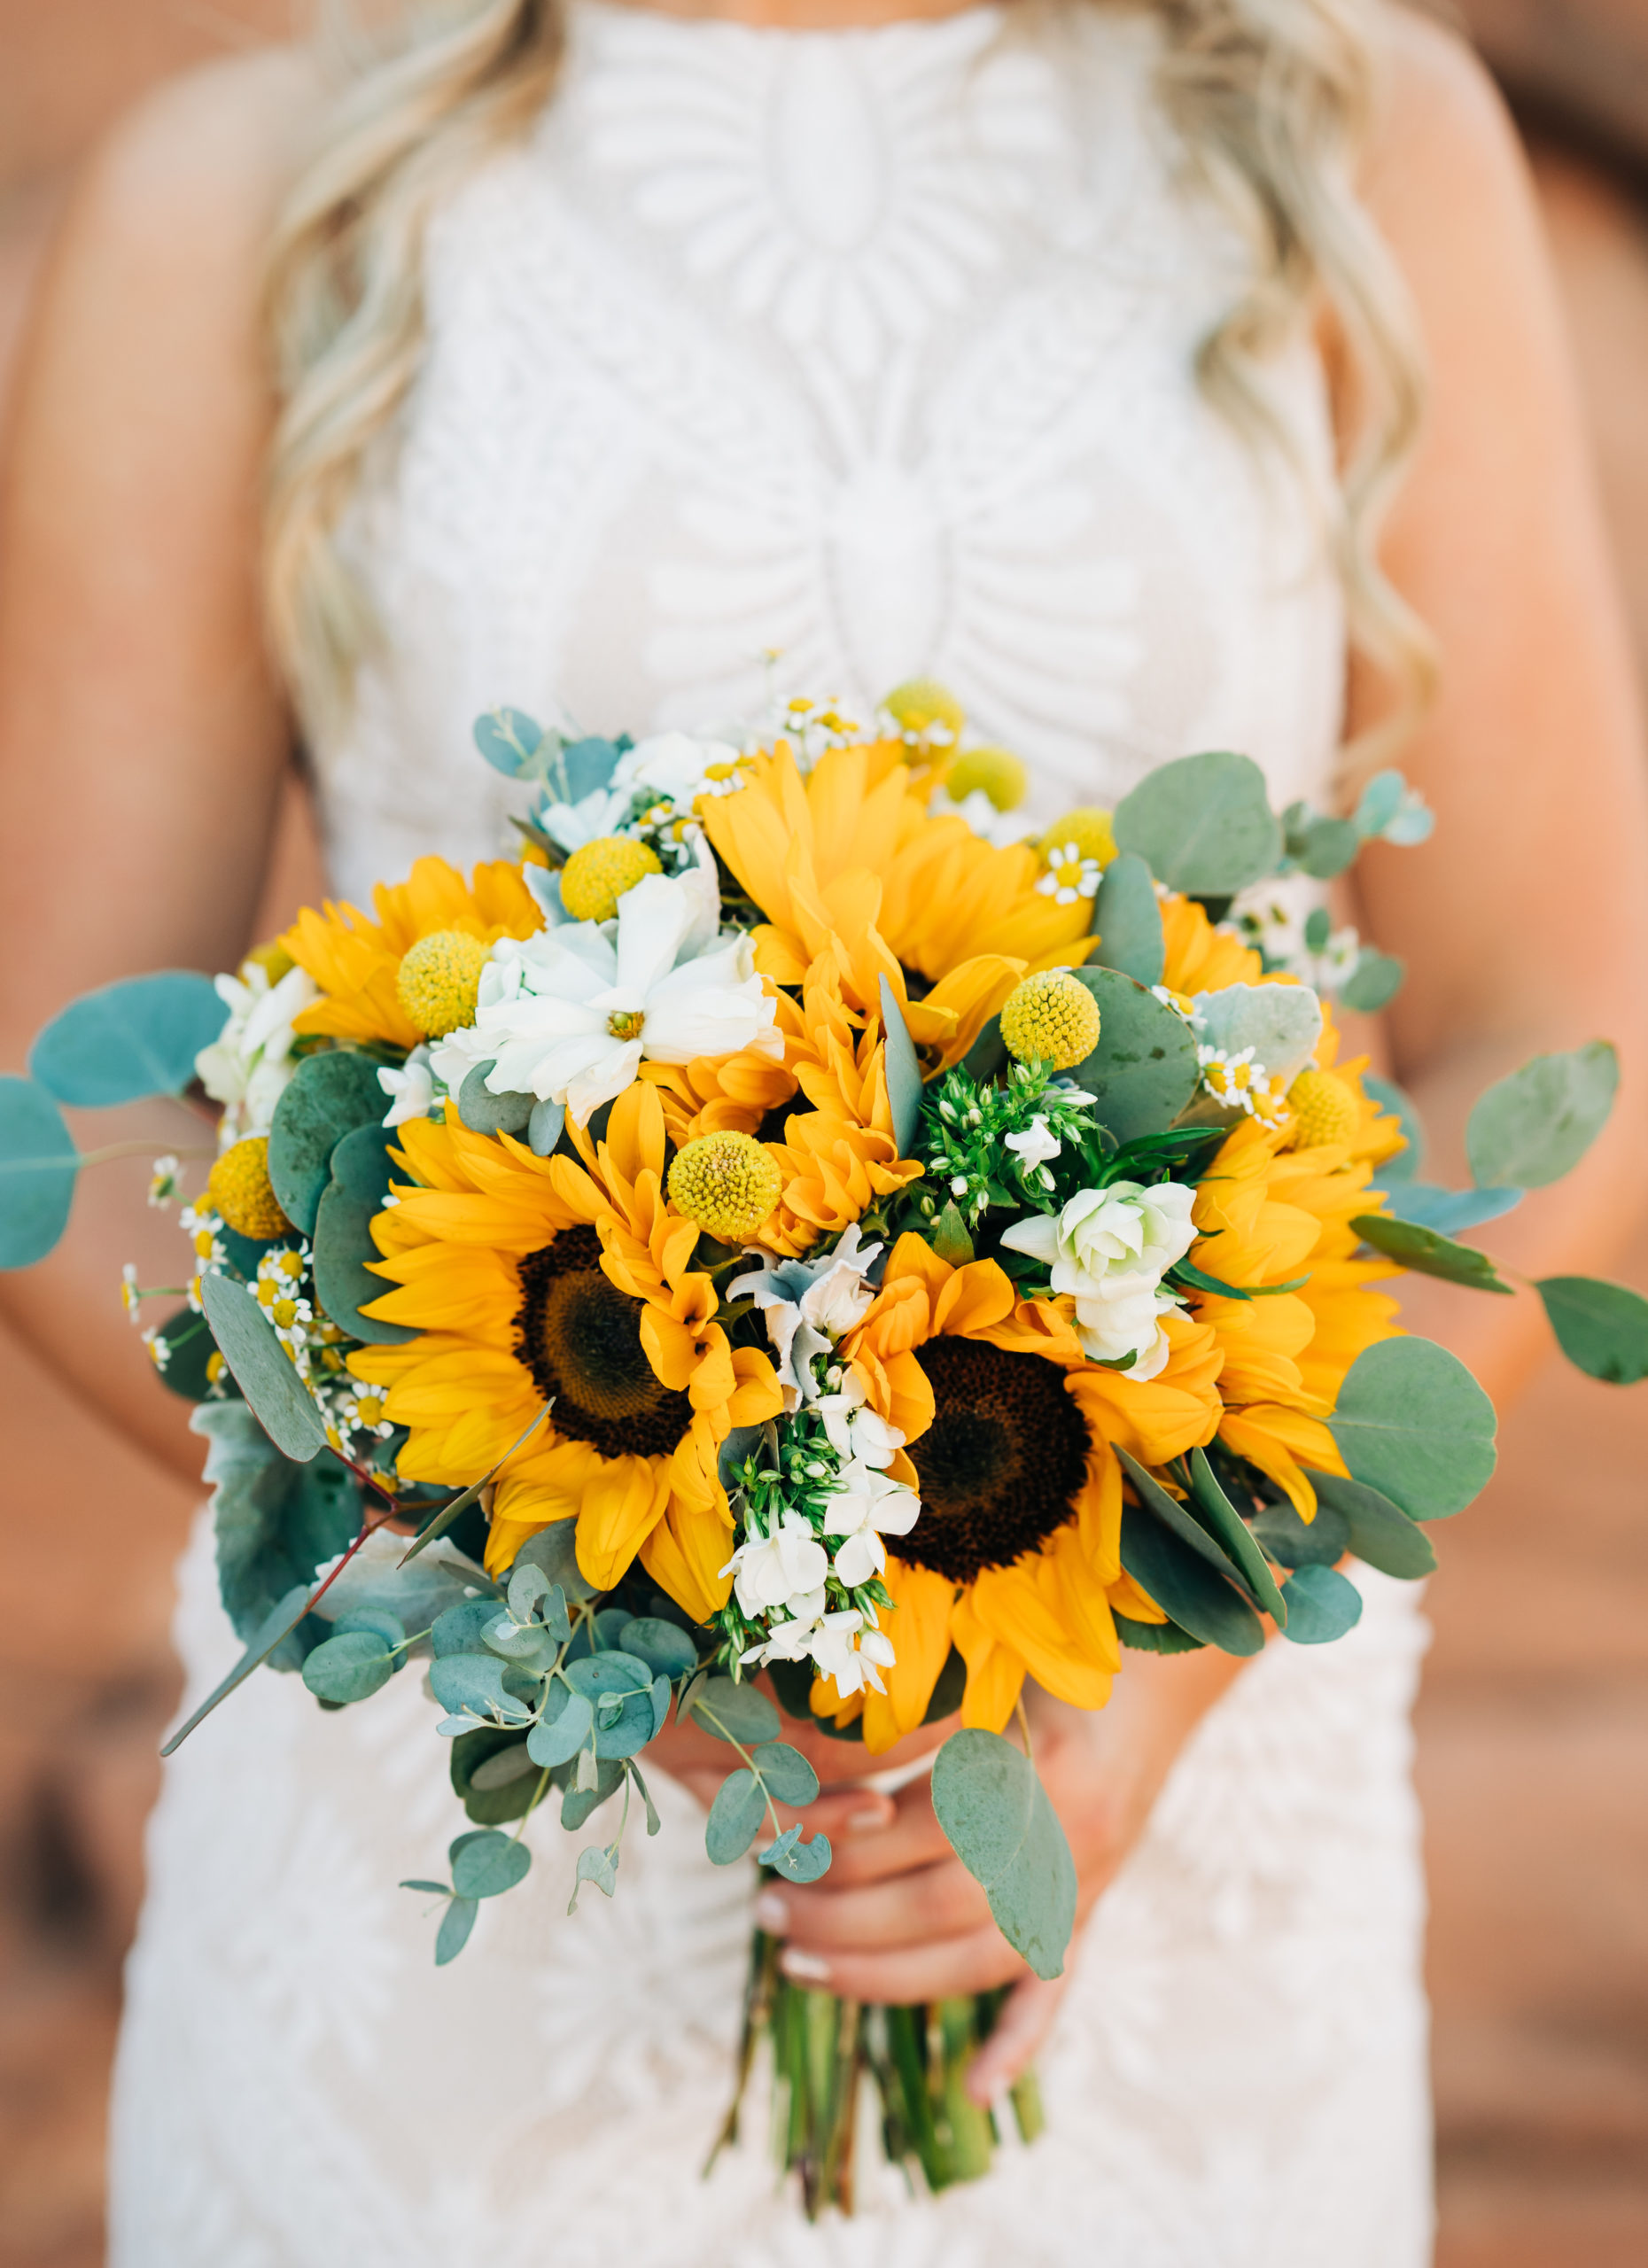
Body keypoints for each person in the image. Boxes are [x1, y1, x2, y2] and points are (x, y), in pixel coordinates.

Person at [1, 0, 1644, 2260]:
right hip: (455, 1912)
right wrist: (534, 1569)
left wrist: (1145, 1675)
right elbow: (53, 1101)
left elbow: (1550, 1013)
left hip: (1163, 1867)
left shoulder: (1354, 133)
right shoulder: (246, 190)